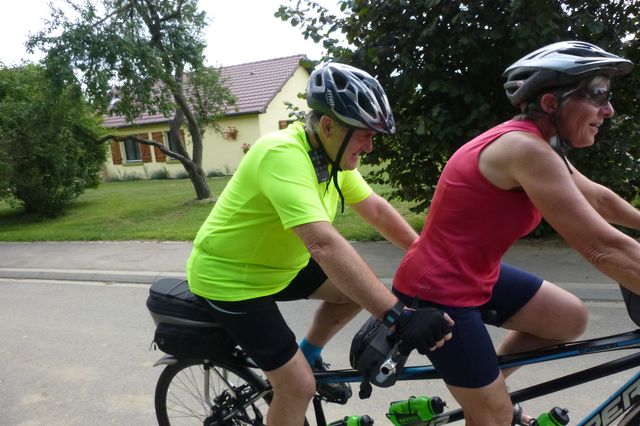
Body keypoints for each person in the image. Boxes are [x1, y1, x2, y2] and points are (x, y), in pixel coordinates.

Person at [186, 62, 453, 425]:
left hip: (279, 266)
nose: (371, 147)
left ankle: (308, 352)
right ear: (328, 126)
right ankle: (297, 375)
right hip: (232, 280)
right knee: (297, 387)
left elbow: (374, 209)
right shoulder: (281, 154)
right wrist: (397, 316)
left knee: (353, 289)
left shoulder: (329, 160)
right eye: (365, 135)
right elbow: (324, 245)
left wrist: (424, 254)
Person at [393, 41, 640, 425]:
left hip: (475, 273)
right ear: (549, 103)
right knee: (493, 419)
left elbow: (599, 200)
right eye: (598, 94)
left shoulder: (538, 144)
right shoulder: (524, 150)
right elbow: (604, 248)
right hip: (437, 290)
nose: (608, 109)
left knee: (567, 318)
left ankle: (486, 389)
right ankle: (486, 404)